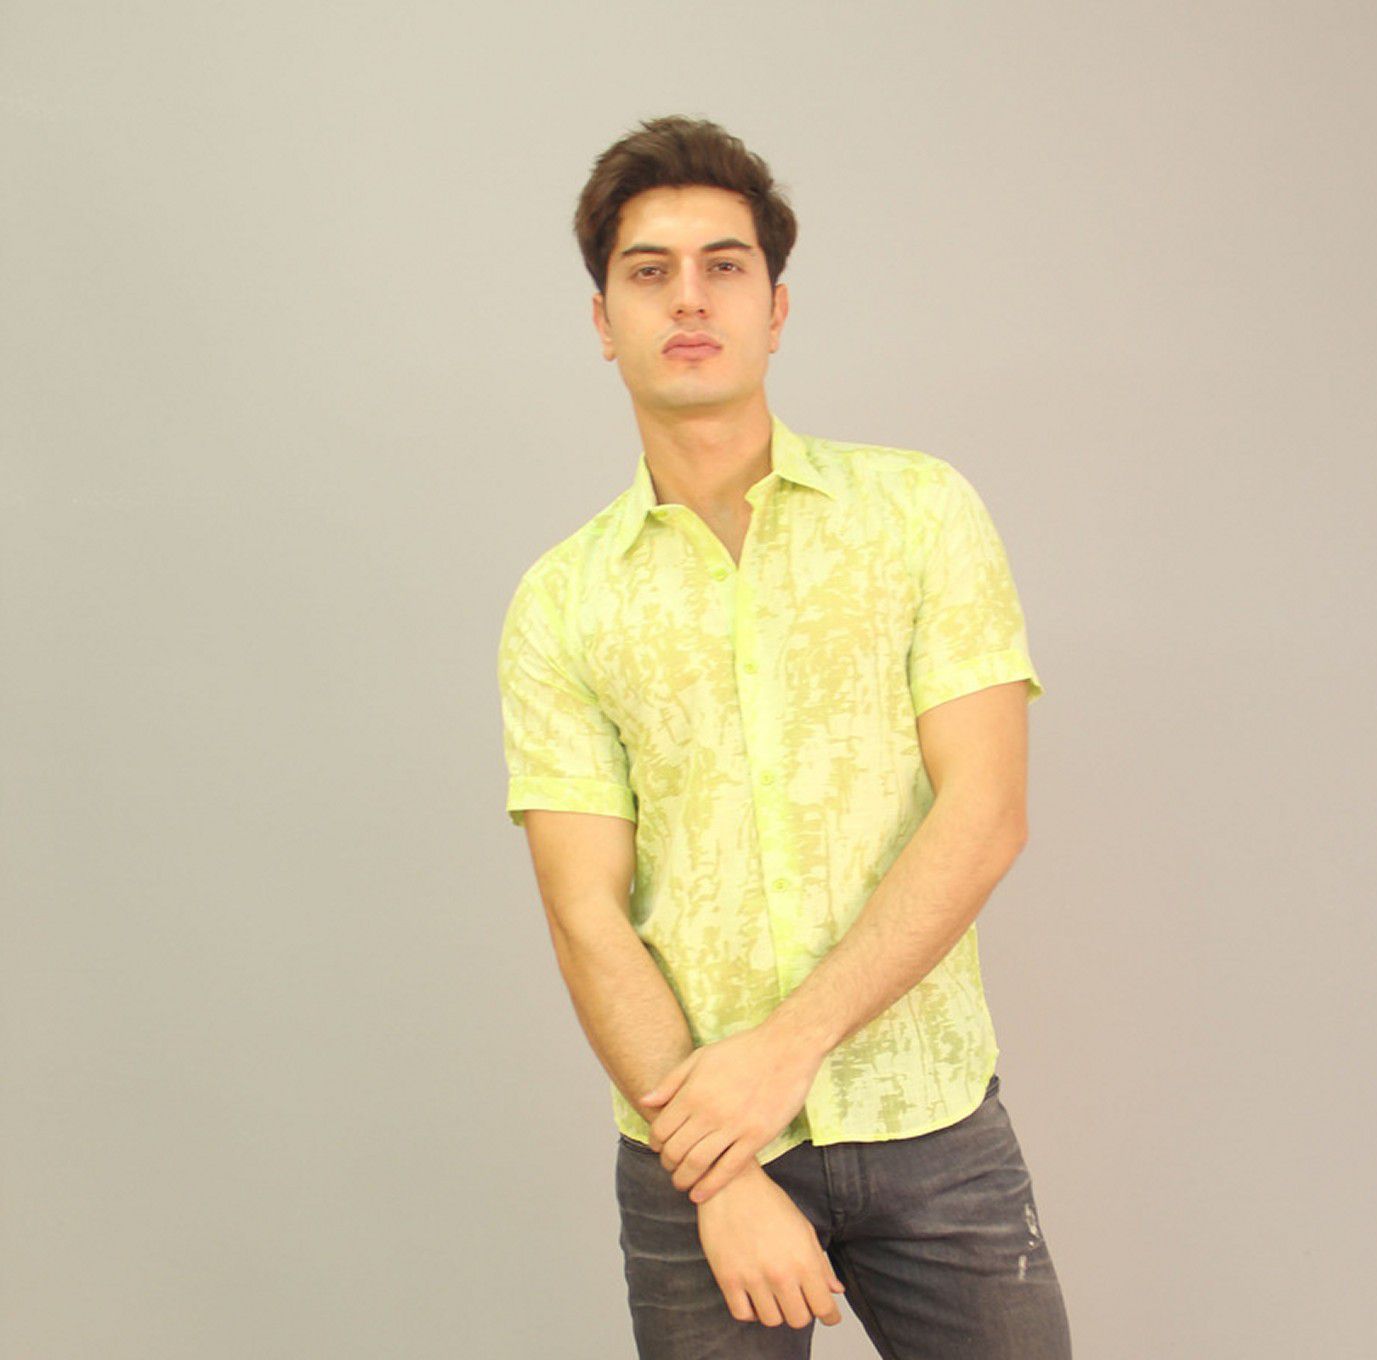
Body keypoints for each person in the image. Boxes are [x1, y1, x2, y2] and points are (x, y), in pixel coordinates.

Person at [496, 114, 1073, 1359]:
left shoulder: (918, 513)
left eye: (725, 265)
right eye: (649, 271)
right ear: (603, 319)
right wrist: (720, 1169)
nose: (688, 297)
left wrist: (785, 1051)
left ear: (777, 308)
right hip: (695, 1150)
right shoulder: (562, 602)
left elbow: (986, 811)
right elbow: (584, 910)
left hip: (931, 1119)